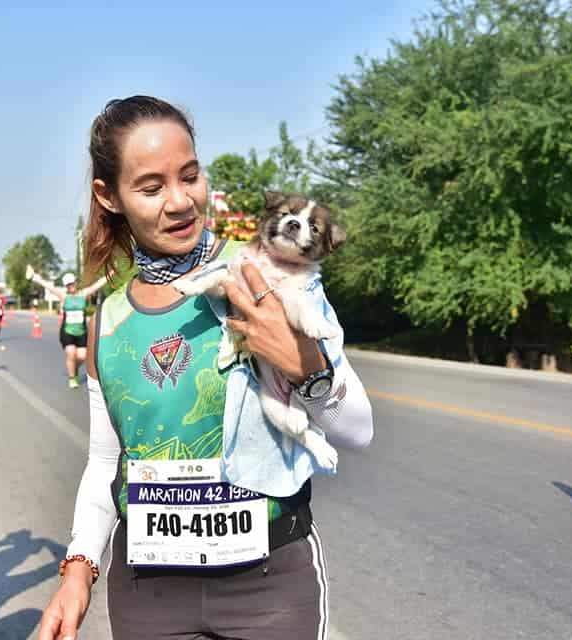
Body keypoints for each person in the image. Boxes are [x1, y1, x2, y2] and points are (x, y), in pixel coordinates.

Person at [38, 96, 374, 640]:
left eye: (190, 176)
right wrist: (79, 568)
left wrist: (303, 366)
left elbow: (358, 430)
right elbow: (106, 461)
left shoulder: (266, 273)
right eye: (151, 187)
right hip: (149, 594)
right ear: (110, 195)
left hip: (270, 589)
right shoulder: (110, 320)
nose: (180, 202)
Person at [27, 270, 107, 388]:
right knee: (71, 353)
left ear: (75, 283)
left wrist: (110, 273)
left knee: (82, 356)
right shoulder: (64, 296)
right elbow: (49, 286)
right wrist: (35, 277)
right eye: (69, 285)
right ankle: (72, 378)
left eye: (72, 283)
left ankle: (73, 368)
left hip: (81, 332)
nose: (71, 286)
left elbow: (97, 285)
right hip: (67, 332)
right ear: (66, 286)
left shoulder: (83, 294)